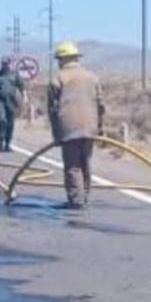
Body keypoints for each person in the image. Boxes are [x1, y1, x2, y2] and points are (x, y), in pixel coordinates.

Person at [48, 42, 105, 210]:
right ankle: (84, 196)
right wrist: (99, 127)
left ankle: (76, 200)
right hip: (89, 126)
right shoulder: (92, 77)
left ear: (62, 59)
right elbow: (101, 105)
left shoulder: (58, 79)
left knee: (73, 166)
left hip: (69, 128)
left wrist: (56, 134)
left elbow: (52, 110)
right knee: (85, 162)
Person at [0, 56, 27, 152]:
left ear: (9, 64)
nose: (4, 66)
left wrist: (25, 96)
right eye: (3, 64)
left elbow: (21, 86)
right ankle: (1, 141)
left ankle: (7, 144)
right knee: (2, 120)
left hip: (11, 101)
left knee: (10, 123)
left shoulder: (14, 75)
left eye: (6, 64)